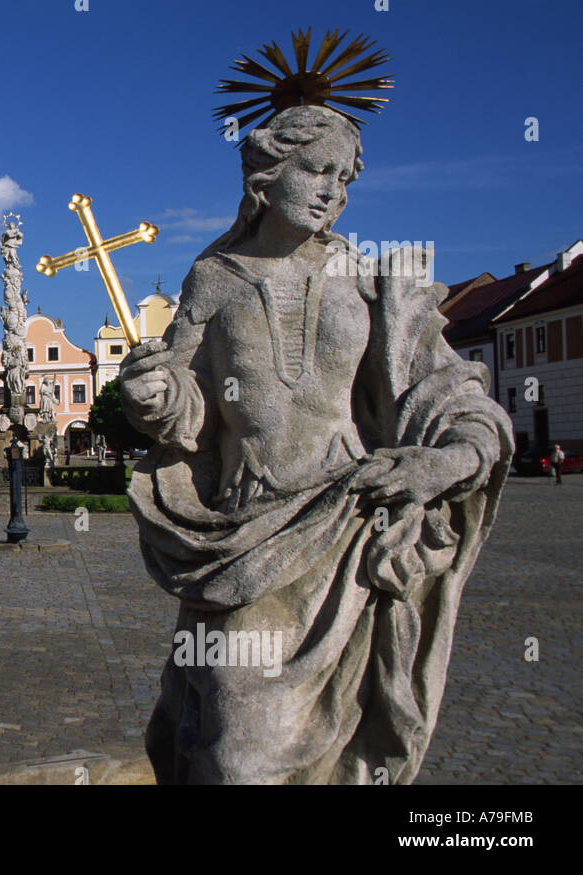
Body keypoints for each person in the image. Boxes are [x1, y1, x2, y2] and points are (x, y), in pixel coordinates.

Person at [121, 104, 512, 784]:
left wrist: (445, 460)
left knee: (327, 752)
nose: (332, 190)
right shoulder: (215, 276)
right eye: (316, 170)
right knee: (238, 755)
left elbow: (453, 390)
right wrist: (156, 396)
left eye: (344, 177)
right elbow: (194, 403)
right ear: (267, 177)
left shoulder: (369, 281)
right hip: (248, 536)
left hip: (352, 534)